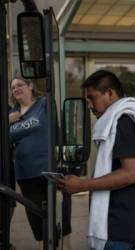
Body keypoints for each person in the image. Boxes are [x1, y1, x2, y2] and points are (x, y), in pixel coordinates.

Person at [57, 70, 135, 250]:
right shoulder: (121, 120)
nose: (90, 105)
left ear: (110, 94)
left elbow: (130, 173)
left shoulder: (122, 122)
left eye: (92, 98)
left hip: (117, 224)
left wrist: (82, 185)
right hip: (123, 221)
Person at [9, 77, 72, 250]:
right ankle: (41, 246)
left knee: (60, 208)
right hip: (25, 173)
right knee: (34, 215)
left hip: (49, 168)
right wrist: (8, 121)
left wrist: (62, 157)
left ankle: (66, 246)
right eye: (13, 87)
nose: (16, 89)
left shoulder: (44, 103)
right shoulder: (11, 112)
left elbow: (57, 128)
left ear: (30, 87)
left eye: (20, 85)